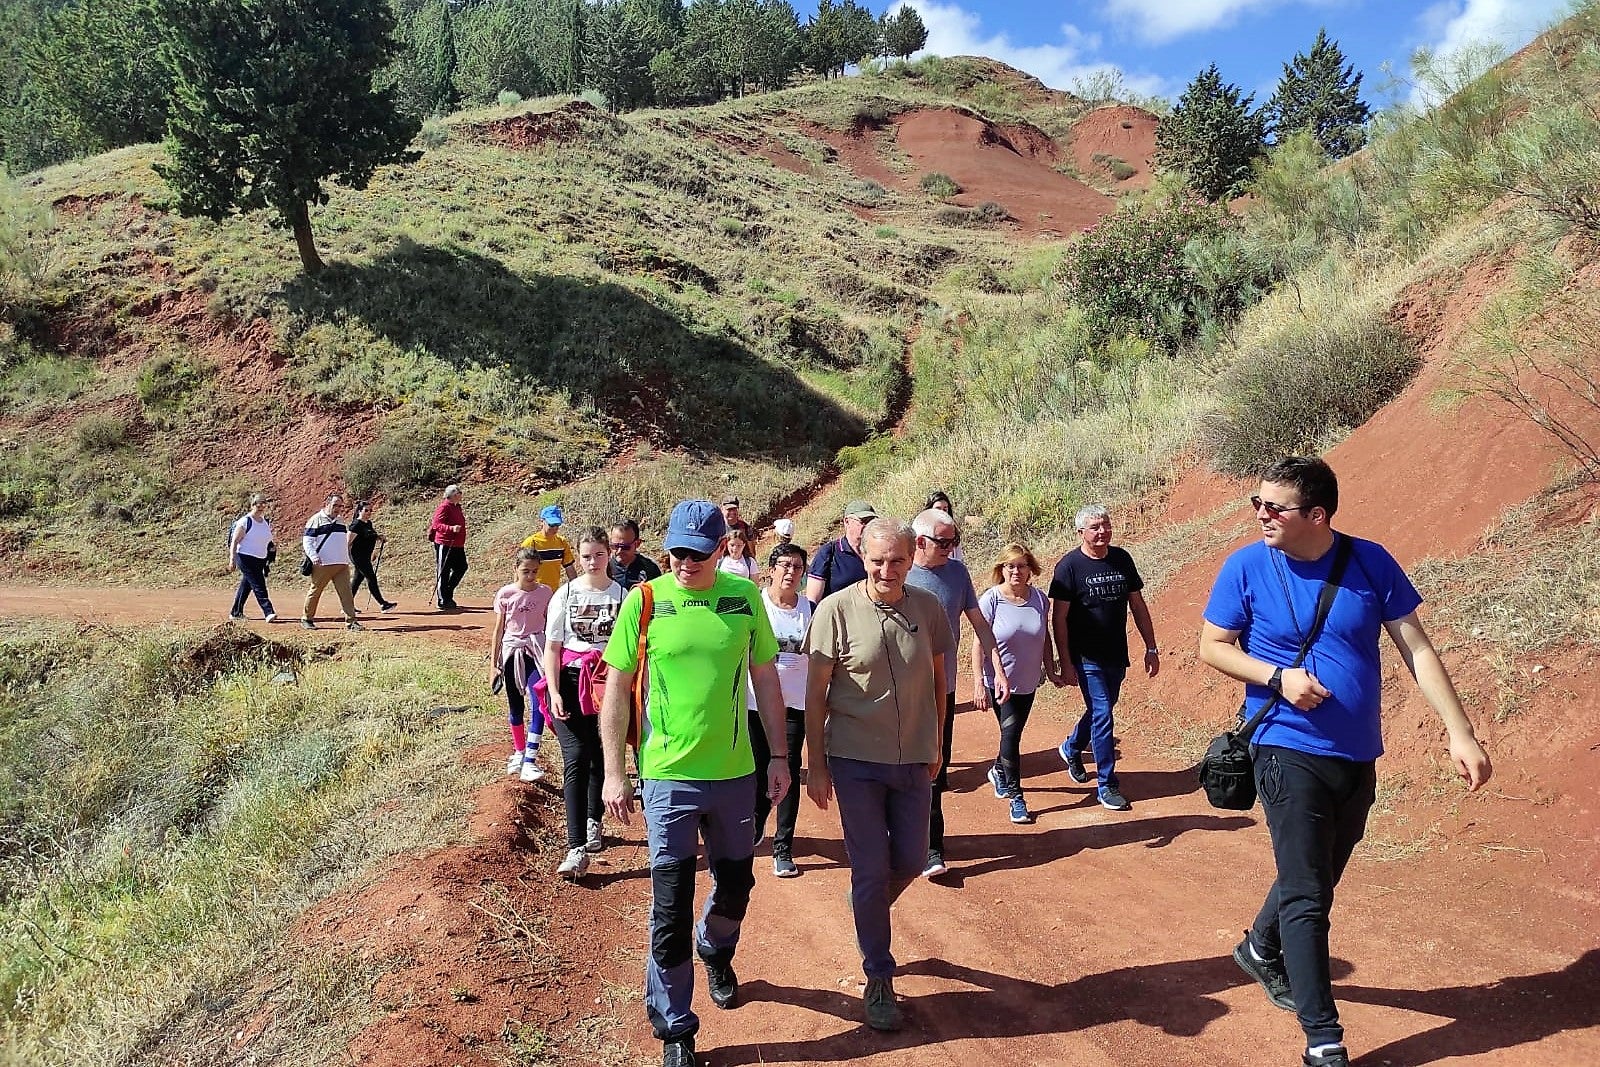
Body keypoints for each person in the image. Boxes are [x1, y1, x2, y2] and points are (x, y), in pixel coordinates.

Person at [1198, 456, 1492, 1067]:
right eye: (1258, 503)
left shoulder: (1369, 561)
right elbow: (1213, 646)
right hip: (1284, 746)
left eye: (1274, 507)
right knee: (1308, 895)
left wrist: (1459, 732)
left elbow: (1416, 648)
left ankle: (1257, 947)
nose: (1260, 514)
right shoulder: (1247, 565)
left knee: (1320, 873)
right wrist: (1279, 678)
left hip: (1356, 753)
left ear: (1317, 515)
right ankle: (1322, 1036)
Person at [599, 500, 790, 1067]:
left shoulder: (744, 599)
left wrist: (779, 755)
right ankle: (676, 1028)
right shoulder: (646, 599)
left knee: (736, 887)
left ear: (720, 549)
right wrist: (615, 771)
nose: (684, 562)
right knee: (670, 903)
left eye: (696, 553)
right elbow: (617, 688)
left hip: (734, 774)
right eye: (677, 551)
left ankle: (716, 944)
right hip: (666, 777)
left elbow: (766, 681)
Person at [803, 517, 953, 1031]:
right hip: (854, 760)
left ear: (911, 560)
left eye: (897, 560)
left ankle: (866, 902)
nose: (887, 569)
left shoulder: (928, 608)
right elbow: (815, 695)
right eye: (877, 560)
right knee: (870, 868)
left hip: (912, 756)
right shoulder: (834, 610)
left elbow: (938, 683)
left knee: (910, 859)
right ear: (862, 558)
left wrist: (935, 744)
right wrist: (815, 765)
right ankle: (879, 976)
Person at [905, 507, 1007, 877]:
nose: (951, 548)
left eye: (954, 541)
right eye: (944, 543)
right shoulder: (899, 572)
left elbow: (980, 623)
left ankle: (932, 848)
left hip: (941, 688)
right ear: (920, 542)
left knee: (935, 765)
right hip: (898, 692)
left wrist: (995, 670)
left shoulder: (957, 573)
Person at [1050, 503, 1159, 812]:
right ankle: (1107, 784)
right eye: (1095, 527)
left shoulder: (1121, 559)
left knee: (1103, 709)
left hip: (1115, 653)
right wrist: (1065, 661)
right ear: (1081, 532)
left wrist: (1151, 646)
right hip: (1086, 657)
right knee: (1103, 713)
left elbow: (1137, 605)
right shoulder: (1068, 567)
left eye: (1106, 525)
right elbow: (1058, 619)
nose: (1102, 532)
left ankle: (1072, 747)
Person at [543, 527, 624, 879]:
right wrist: (555, 690)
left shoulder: (623, 596)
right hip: (572, 682)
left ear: (609, 555)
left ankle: (593, 819)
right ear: (578, 557)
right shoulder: (565, 595)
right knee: (575, 756)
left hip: (608, 684)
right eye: (586, 556)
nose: (593, 562)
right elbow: (553, 648)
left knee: (599, 753)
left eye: (599, 555)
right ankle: (576, 847)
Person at [973, 543, 1061, 825]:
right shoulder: (992, 600)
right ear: (1001, 569)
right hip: (998, 681)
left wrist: (1051, 667)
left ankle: (999, 770)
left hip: (1028, 681)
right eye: (1010, 566)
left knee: (1013, 733)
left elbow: (1043, 636)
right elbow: (978, 643)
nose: (1016, 571)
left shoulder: (1039, 599)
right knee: (1010, 735)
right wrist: (978, 681)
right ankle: (1016, 797)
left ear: (1030, 569)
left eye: (1021, 566)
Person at [749, 542, 812, 876]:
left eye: (797, 567)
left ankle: (783, 847)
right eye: (785, 565)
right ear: (771, 568)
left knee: (787, 769)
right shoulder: (755, 604)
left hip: (794, 703)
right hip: (755, 703)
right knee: (758, 769)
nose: (790, 572)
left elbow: (817, 657)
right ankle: (757, 824)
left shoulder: (810, 609)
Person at [491, 549, 554, 785]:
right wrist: (493, 664)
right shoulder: (506, 594)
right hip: (512, 652)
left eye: (534, 572)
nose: (530, 576)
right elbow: (498, 630)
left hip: (536, 650)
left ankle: (530, 758)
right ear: (515, 569)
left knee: (539, 702)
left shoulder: (545, 592)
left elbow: (551, 623)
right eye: (525, 571)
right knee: (515, 705)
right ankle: (518, 751)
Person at [301, 493, 362, 631]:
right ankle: (307, 618)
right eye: (335, 505)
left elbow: (343, 541)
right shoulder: (315, 520)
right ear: (327, 504)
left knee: (346, 593)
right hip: (323, 564)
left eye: (340, 506)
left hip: (341, 563)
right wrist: (313, 556)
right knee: (315, 591)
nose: (338, 508)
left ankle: (351, 621)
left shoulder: (340, 521)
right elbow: (307, 541)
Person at [805, 500, 876, 605]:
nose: (868, 526)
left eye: (871, 521)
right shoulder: (829, 553)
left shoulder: (876, 552)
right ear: (847, 521)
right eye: (863, 521)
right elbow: (812, 601)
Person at [227, 493, 278, 622]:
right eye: (257, 503)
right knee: (258, 583)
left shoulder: (265, 522)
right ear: (252, 505)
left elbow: (266, 540)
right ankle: (268, 611)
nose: (260, 506)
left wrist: (271, 549)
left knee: (247, 584)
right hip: (245, 557)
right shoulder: (245, 521)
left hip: (260, 558)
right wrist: (232, 559)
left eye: (263, 503)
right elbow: (234, 541)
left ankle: (235, 612)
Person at [348, 501, 397, 612]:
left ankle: (346, 605)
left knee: (357, 580)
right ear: (360, 511)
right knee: (371, 578)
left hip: (365, 556)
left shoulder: (368, 523)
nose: (369, 512)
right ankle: (383, 604)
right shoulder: (356, 525)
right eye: (366, 510)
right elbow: (348, 542)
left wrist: (379, 537)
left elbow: (370, 535)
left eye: (370, 510)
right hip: (358, 556)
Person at [521, 504, 577, 593]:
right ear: (542, 521)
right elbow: (520, 568)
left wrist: (576, 589)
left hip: (553, 593)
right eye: (551, 524)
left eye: (557, 524)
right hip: (532, 592)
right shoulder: (531, 543)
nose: (555, 528)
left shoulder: (561, 542)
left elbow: (569, 567)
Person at [429, 485, 468, 610]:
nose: (461, 494)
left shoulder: (457, 507)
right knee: (443, 571)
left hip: (458, 544)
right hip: (444, 543)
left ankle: (448, 593)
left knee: (462, 567)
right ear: (453, 495)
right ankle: (442, 600)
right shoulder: (444, 507)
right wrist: (451, 528)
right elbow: (436, 525)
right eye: (459, 492)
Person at [609, 518, 662, 591]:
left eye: (625, 547)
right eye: (615, 546)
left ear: (637, 544)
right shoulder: (603, 567)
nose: (619, 551)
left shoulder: (650, 569)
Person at [925, 490, 964, 561]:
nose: (941, 512)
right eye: (938, 509)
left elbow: (959, 559)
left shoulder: (953, 532)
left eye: (945, 509)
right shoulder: (922, 532)